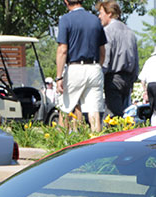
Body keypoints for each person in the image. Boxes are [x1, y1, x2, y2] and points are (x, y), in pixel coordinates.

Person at [56, 0, 106, 132]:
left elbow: (62, 50)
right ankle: (96, 141)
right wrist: (98, 67)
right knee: (94, 111)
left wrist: (59, 77)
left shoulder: (65, 20)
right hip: (94, 67)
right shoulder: (95, 20)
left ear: (66, 2)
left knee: (65, 108)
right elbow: (102, 51)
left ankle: (60, 140)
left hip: (75, 67)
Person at [95, 1, 137, 118]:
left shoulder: (108, 31)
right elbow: (135, 58)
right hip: (127, 78)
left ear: (109, 13)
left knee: (112, 115)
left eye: (101, 13)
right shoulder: (130, 32)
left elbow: (105, 56)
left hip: (113, 78)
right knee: (124, 113)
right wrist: (133, 79)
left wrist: (100, 75)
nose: (99, 16)